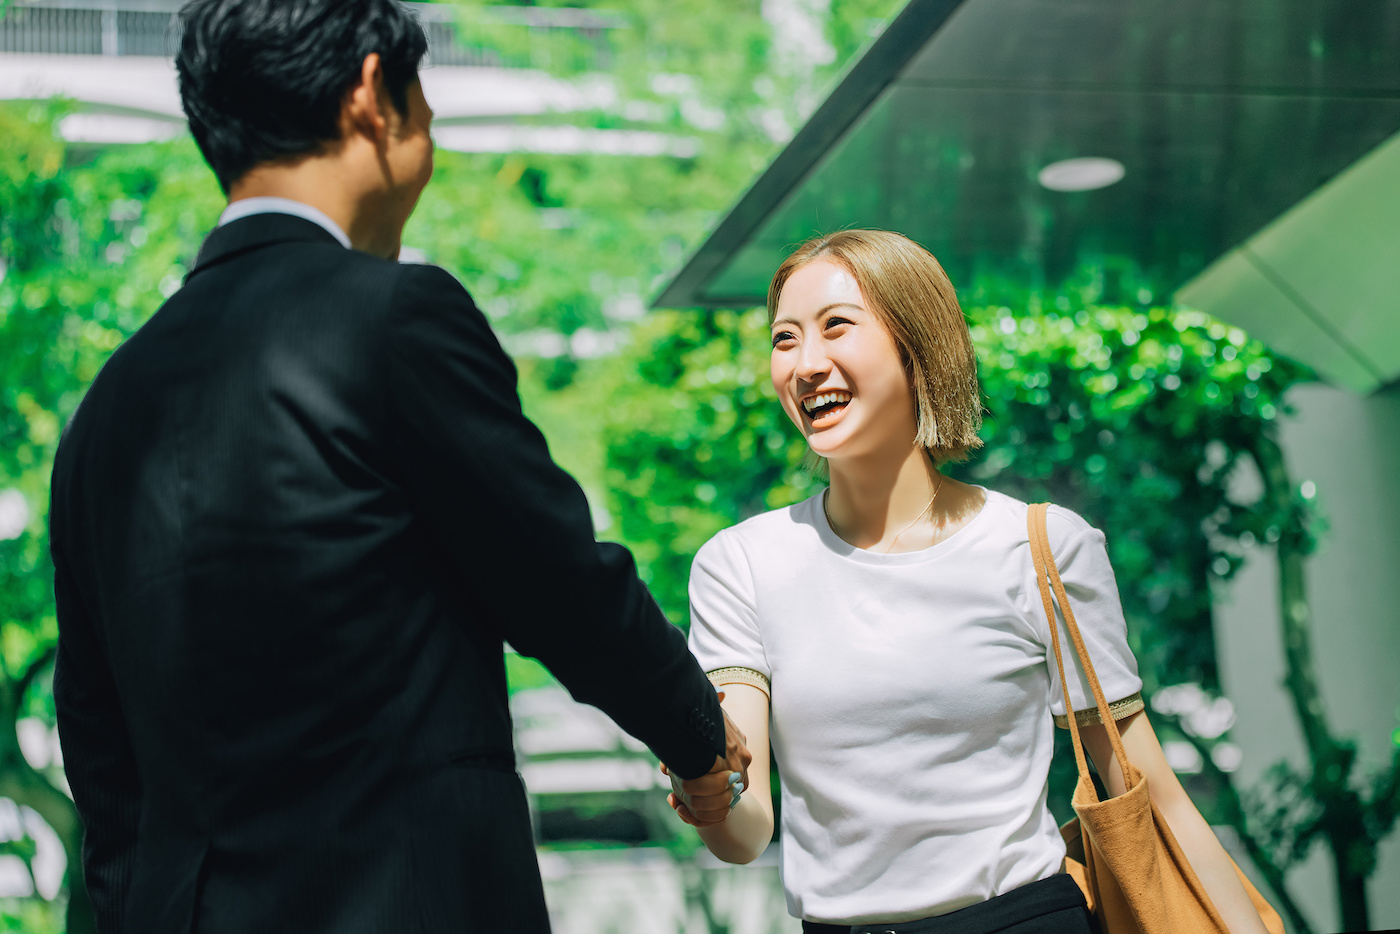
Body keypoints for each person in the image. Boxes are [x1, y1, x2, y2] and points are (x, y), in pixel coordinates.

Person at [48, 1, 749, 931]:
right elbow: (553, 579)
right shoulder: (391, 319)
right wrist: (701, 740)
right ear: (375, 94)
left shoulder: (104, 412)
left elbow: (103, 762)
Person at [664, 230, 1270, 933]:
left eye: (836, 328)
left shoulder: (1039, 547)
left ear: (917, 348)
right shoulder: (741, 563)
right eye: (785, 339)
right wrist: (702, 782)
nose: (806, 364)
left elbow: (1150, 791)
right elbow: (746, 832)